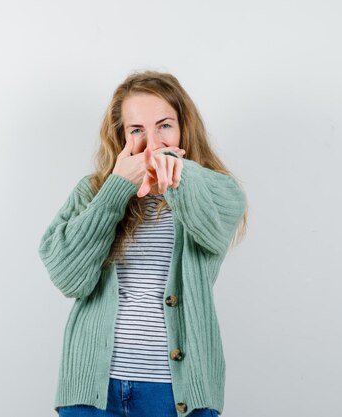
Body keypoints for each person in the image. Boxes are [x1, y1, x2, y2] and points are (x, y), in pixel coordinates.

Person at [37, 70, 248, 417]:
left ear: (184, 128)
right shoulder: (94, 192)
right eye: (137, 130)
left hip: (176, 395)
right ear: (121, 137)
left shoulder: (215, 190)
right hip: (93, 393)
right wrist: (116, 188)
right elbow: (67, 277)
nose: (152, 142)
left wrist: (179, 174)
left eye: (164, 125)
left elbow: (213, 218)